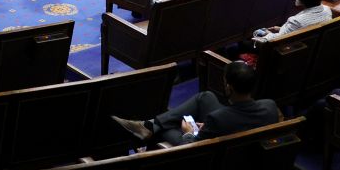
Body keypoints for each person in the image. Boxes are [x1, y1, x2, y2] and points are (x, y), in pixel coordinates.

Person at [114, 60, 281, 147]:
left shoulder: (218, 119)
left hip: (218, 161)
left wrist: (188, 133)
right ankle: (150, 125)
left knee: (169, 127)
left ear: (229, 87)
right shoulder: (270, 106)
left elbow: (193, 147)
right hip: (238, 138)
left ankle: (150, 129)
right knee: (205, 97)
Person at [254, 0, 334, 43]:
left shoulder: (296, 21)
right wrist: (282, 29)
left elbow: (277, 40)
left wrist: (267, 34)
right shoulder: (327, 10)